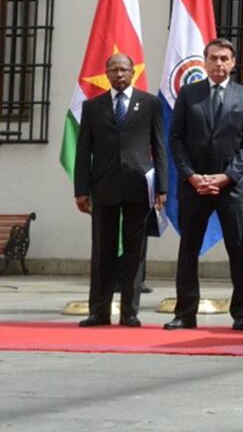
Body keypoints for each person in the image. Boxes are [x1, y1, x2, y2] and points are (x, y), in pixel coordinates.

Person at [164, 38, 243, 331]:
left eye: (224, 58)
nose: (219, 63)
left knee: (239, 250)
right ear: (204, 62)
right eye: (214, 58)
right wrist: (191, 176)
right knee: (188, 250)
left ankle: (241, 312)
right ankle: (185, 313)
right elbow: (176, 139)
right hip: (194, 186)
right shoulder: (188, 94)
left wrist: (227, 176)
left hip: (230, 187)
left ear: (233, 63)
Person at [73, 53, 167, 328]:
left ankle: (130, 312)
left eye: (124, 69)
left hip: (139, 187)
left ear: (132, 72)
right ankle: (99, 311)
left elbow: (159, 147)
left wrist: (162, 187)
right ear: (106, 74)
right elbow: (83, 151)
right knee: (103, 249)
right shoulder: (93, 107)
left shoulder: (149, 104)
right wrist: (81, 189)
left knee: (135, 251)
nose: (119, 74)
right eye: (114, 70)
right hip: (104, 186)